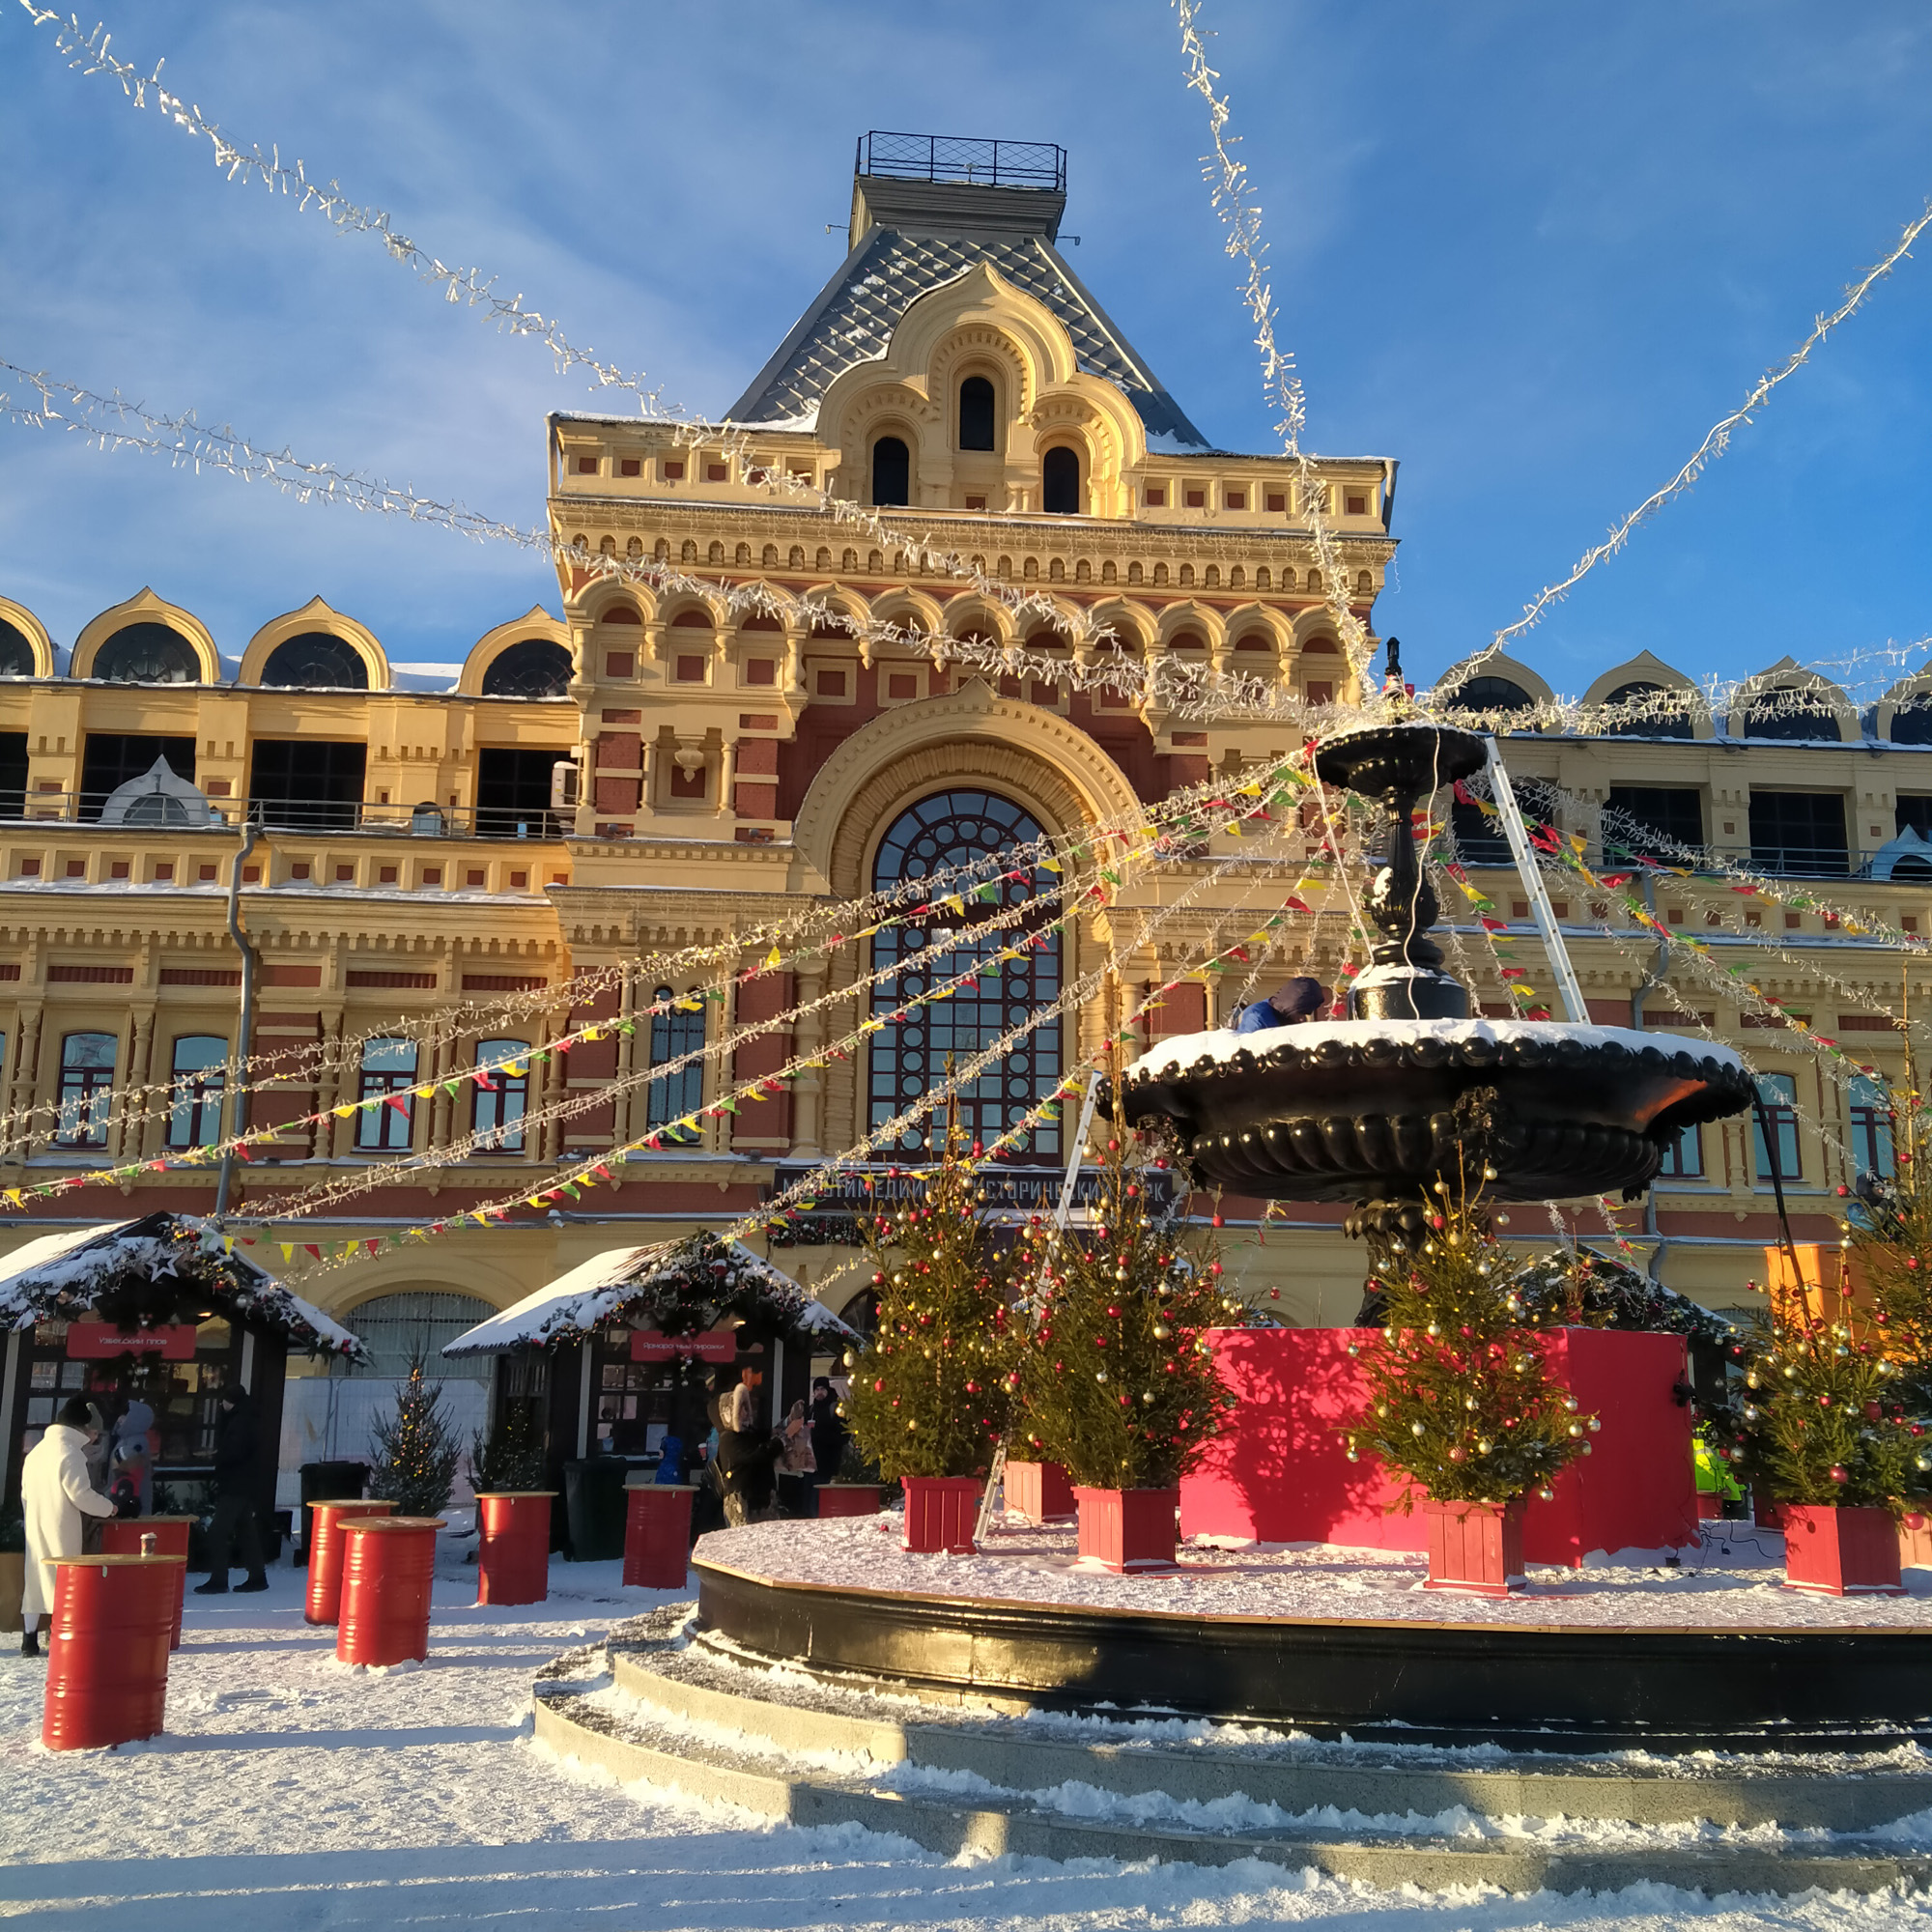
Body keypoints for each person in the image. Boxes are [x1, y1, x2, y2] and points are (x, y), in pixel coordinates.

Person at [20, 1396, 117, 1657]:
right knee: (64, 1580)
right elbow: (80, 1494)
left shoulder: (38, 1451)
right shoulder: (70, 1453)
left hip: (36, 1521)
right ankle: (59, 1633)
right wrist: (109, 1508)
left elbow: (25, 1492)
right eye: (94, 1431)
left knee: (36, 1579)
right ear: (82, 1428)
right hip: (61, 1523)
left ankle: (29, 1637)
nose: (95, 1437)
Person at [194, 1384, 268, 1595]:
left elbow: (235, 1452)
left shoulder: (239, 1421)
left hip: (235, 1485)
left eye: (223, 1400)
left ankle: (219, 1579)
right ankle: (257, 1576)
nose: (220, 1404)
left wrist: (215, 1456)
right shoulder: (248, 1417)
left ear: (231, 1401)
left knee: (218, 1532)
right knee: (246, 1531)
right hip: (245, 1484)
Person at [713, 1383, 788, 1526]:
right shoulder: (729, 1439)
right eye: (740, 1407)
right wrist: (781, 1441)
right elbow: (757, 1456)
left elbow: (767, 1434)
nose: (746, 1412)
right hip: (743, 1504)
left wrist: (788, 1422)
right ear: (730, 1412)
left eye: (746, 1407)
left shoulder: (750, 1433)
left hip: (762, 1502)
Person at [1235, 977, 1329, 1034]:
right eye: (1299, 1014)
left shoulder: (1286, 1016)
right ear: (1289, 1006)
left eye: (1305, 1014)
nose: (1302, 1019)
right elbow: (1247, 1053)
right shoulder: (1257, 1017)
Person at [808, 1377, 846, 1511]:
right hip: (810, 1464)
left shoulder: (836, 1409)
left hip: (827, 1463)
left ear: (827, 1390)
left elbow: (844, 1436)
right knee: (810, 1498)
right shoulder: (811, 1410)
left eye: (822, 1389)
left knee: (819, 1500)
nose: (819, 1392)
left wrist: (820, 1437)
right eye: (816, 1389)